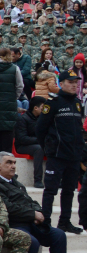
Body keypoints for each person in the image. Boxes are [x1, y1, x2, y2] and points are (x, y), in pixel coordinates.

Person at [0, 151, 75, 253]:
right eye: (9, 163)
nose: (13, 166)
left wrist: (38, 213)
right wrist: (32, 214)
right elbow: (8, 208)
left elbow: (31, 201)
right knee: (32, 241)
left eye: (14, 163)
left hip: (31, 222)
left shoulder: (16, 182)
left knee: (59, 235)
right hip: (14, 224)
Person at [37, 67, 84, 235]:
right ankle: (46, 221)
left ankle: (64, 222)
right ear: (61, 84)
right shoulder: (53, 103)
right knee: (50, 190)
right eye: (70, 83)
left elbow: (79, 130)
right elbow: (40, 129)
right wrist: (49, 148)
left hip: (73, 156)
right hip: (56, 155)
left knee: (69, 190)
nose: (74, 86)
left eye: (76, 83)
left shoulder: (78, 103)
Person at [0, 47, 24, 155]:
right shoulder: (14, 68)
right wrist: (14, 97)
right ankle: (6, 158)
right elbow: (20, 85)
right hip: (9, 104)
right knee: (8, 132)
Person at [14, 97, 45, 188]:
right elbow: (22, 138)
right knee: (39, 149)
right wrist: (40, 140)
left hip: (38, 143)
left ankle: (56, 179)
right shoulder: (23, 119)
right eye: (42, 107)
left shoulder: (43, 118)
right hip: (22, 146)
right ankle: (38, 180)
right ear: (36, 108)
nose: (44, 110)